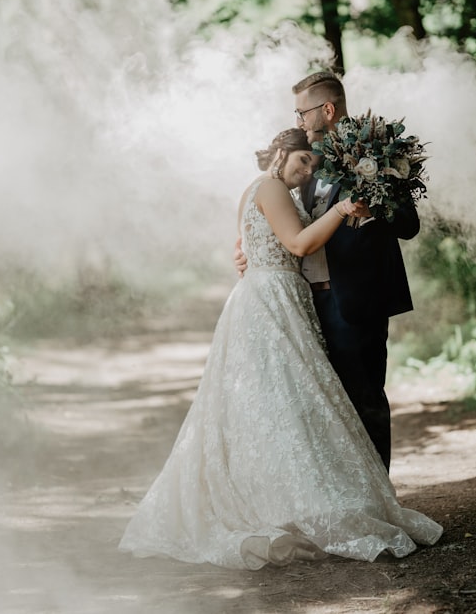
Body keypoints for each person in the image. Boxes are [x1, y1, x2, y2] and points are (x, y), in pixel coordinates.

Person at [118, 128, 442, 570]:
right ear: (281, 154)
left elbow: (255, 243)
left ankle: (288, 502)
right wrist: (345, 208)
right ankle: (289, 507)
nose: (308, 170)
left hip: (281, 299)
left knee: (284, 408)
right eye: (301, 161)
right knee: (287, 403)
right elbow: (297, 243)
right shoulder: (270, 187)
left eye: (312, 163)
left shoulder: (267, 190)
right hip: (270, 302)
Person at [235, 72, 420, 471]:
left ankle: (379, 500)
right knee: (318, 406)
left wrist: (376, 209)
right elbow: (280, 225)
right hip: (301, 303)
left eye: (302, 112)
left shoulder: (376, 149)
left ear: (328, 110)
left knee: (364, 399)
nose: (298, 120)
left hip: (355, 299)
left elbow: (408, 223)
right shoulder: (302, 161)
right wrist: (251, 252)